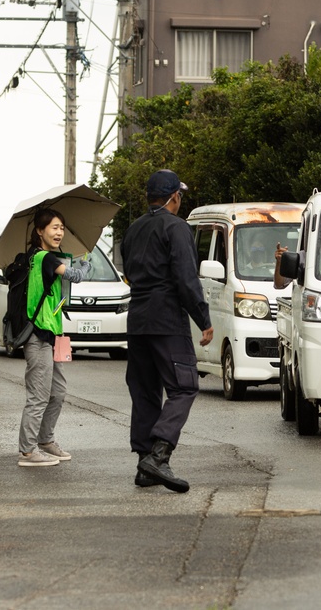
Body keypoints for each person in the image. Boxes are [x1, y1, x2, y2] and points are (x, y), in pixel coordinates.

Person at [120, 169, 213, 493]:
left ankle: (144, 465)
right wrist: (204, 319)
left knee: (145, 390)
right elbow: (186, 278)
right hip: (166, 319)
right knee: (183, 387)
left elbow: (130, 272)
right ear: (174, 196)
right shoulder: (176, 227)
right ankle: (159, 456)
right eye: (180, 195)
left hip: (138, 319)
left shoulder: (133, 230)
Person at [17, 209, 91, 467]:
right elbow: (75, 276)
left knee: (57, 392)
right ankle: (27, 451)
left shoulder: (44, 258)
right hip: (38, 336)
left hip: (54, 334)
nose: (59, 232)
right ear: (40, 231)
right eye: (54, 227)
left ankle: (45, 441)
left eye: (61, 228)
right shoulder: (44, 258)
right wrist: (84, 264)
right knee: (38, 395)